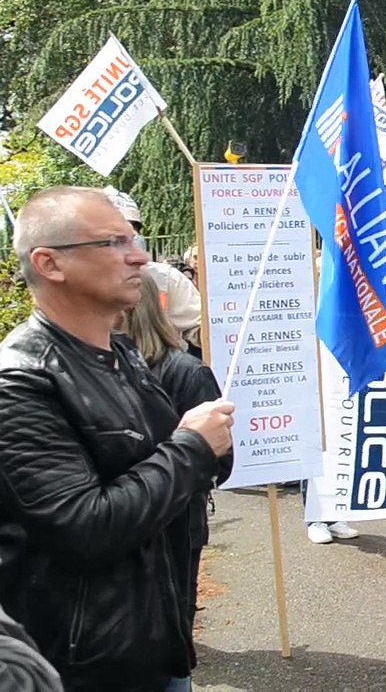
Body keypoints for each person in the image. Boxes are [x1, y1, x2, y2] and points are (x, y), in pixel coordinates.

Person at [0, 186, 234, 691]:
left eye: (135, 239)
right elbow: (84, 527)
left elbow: (172, 470)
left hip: (157, 642)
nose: (140, 256)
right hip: (85, 666)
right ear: (50, 263)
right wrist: (193, 447)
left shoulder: (122, 355)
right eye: (113, 243)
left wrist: (208, 449)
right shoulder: (20, 382)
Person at [119, 274, 236, 690]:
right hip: (120, 528)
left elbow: (223, 463)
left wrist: (178, 457)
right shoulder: (98, 372)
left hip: (176, 530)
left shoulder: (186, 372)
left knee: (170, 631)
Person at [102, 187, 204, 353]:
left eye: (132, 237)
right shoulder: (77, 282)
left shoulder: (166, 278)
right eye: (116, 239)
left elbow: (201, 331)